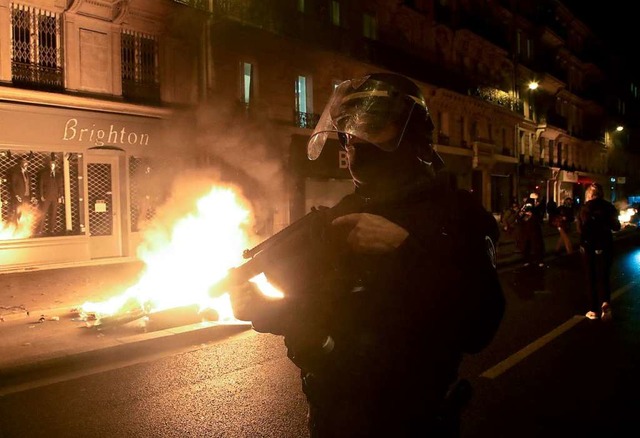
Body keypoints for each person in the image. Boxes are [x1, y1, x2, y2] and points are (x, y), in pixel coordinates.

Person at [230, 73, 505, 437]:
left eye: (372, 125)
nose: (355, 142)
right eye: (347, 131)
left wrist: (406, 250)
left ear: (412, 133)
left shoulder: (457, 215)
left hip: (412, 422)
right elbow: (316, 317)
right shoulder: (338, 216)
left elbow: (479, 326)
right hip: (333, 421)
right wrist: (265, 310)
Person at [577, 183, 621, 321]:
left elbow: (580, 229)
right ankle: (606, 306)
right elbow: (616, 227)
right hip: (606, 245)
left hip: (589, 246)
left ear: (589, 195)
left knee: (591, 278)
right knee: (604, 276)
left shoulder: (585, 208)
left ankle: (593, 310)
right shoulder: (609, 207)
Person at [37, 158, 64, 236]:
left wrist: (60, 196)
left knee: (54, 213)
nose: (52, 166)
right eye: (51, 164)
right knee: (43, 213)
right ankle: (40, 230)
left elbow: (60, 186)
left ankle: (51, 229)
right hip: (46, 196)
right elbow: (40, 186)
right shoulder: (44, 174)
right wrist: (41, 195)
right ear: (49, 165)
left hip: (55, 197)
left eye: (54, 164)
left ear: (55, 165)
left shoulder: (58, 175)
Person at [518, 192, 546, 267]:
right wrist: (523, 214)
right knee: (527, 246)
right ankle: (527, 260)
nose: (536, 201)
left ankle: (539, 260)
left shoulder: (536, 208)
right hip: (527, 231)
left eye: (536, 199)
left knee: (537, 246)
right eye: (534, 199)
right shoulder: (525, 207)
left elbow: (539, 218)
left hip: (534, 230)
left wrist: (533, 213)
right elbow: (519, 218)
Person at [6, 156, 34, 226]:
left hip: (27, 196)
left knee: (25, 211)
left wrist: (32, 195)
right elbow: (13, 185)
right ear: (21, 164)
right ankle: (16, 226)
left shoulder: (28, 174)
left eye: (27, 163)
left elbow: (29, 185)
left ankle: (24, 227)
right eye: (24, 163)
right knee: (17, 211)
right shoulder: (16, 173)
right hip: (19, 196)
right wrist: (16, 195)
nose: (26, 165)